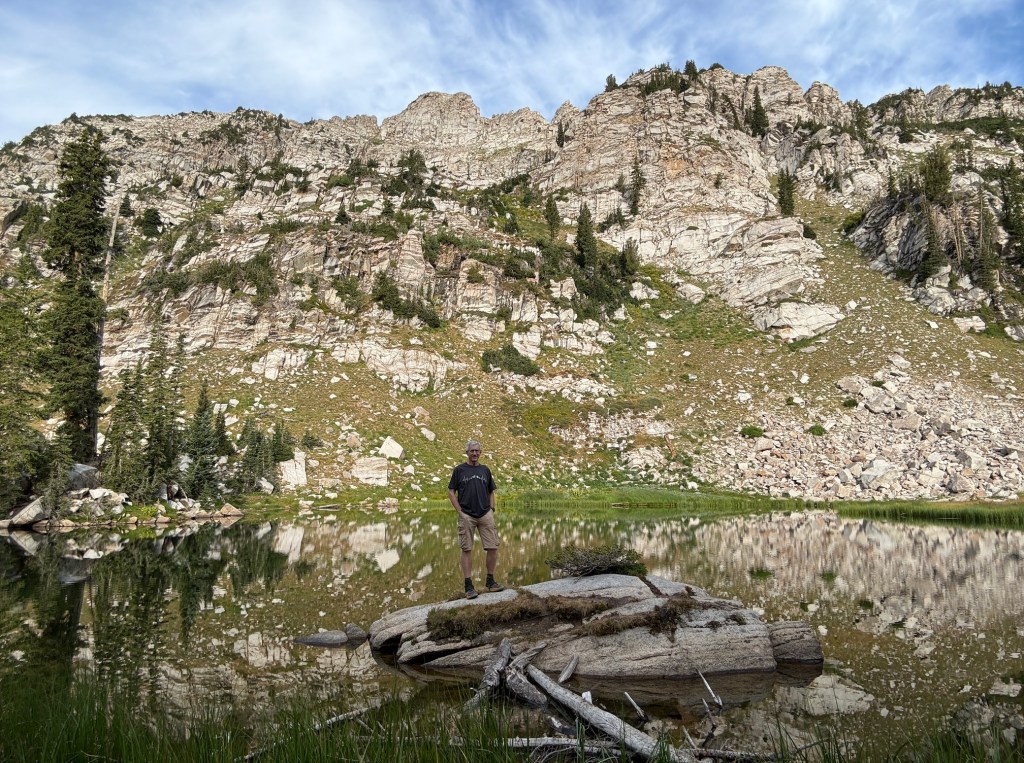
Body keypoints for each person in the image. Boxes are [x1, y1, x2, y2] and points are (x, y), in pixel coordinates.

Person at [448, 439, 504, 599]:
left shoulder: (485, 470)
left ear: (480, 452)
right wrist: (460, 511)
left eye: (477, 451)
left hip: (485, 514)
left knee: (493, 546)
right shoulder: (459, 470)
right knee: (466, 549)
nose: (475, 453)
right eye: (472, 451)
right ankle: (468, 586)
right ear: (467, 452)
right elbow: (451, 492)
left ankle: (491, 582)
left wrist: (492, 509)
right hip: (467, 515)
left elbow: (491, 491)